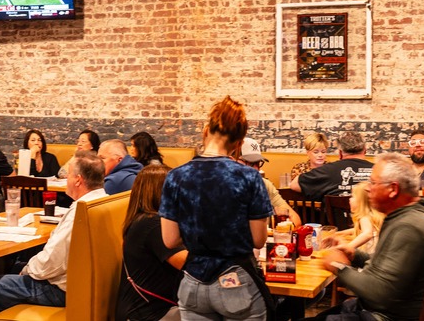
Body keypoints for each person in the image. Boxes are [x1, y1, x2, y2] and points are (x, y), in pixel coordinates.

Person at [160, 96, 273, 320]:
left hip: (193, 284)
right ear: (239, 142)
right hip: (236, 280)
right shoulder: (249, 177)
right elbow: (259, 240)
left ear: (205, 131)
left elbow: (170, 241)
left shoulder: (175, 177)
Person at [0, 150, 108, 320]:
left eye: (68, 175)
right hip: (88, 286)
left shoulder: (81, 211)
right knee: (15, 268)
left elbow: (52, 261)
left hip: (60, 291)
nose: (65, 180)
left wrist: (27, 271)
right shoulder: (103, 202)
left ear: (78, 179)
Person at [314, 153, 424, 320]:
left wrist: (337, 266)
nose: (368, 188)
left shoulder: (410, 227)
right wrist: (355, 255)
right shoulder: (408, 216)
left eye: (373, 182)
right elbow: (390, 266)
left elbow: (378, 292)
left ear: (393, 189)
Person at [115, 164, 187, 321]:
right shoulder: (151, 224)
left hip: (157, 308)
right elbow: (188, 264)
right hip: (146, 314)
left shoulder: (148, 220)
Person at [290, 132, 373, 201]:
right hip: (375, 220)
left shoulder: (327, 170)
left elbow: (294, 185)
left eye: (323, 152)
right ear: (365, 150)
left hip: (336, 220)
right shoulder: (378, 170)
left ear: (340, 153)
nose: (320, 155)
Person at [239, 137, 302, 227]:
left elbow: (295, 218)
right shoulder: (224, 188)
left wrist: (284, 229)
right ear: (234, 161)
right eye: (251, 163)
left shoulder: (264, 185)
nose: (256, 168)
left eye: (258, 163)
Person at [336, 182, 383, 254]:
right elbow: (360, 230)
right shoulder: (373, 215)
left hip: (368, 257)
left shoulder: (365, 216)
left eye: (352, 196)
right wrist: (339, 233)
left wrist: (348, 247)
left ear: (361, 201)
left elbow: (367, 234)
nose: (349, 199)